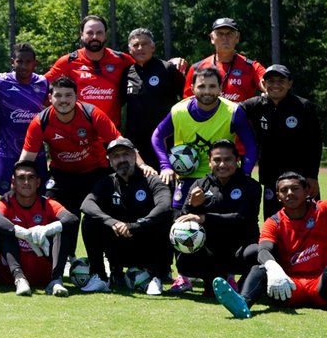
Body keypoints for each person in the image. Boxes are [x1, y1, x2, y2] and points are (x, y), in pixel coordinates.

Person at [214, 158, 327, 324]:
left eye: (295, 188)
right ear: (278, 196)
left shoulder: (323, 210)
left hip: (322, 287)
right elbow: (264, 250)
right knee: (259, 268)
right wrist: (273, 268)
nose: (289, 193)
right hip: (287, 287)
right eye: (284, 190)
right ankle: (242, 303)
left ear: (307, 191)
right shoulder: (274, 221)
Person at [18, 76, 131, 251]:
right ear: (50, 98)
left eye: (68, 95)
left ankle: (105, 262)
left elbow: (121, 143)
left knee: (97, 217)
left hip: (95, 172)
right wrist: (16, 185)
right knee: (55, 213)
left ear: (76, 96)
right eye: (58, 95)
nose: (63, 100)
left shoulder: (92, 113)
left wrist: (143, 165)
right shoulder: (41, 121)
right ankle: (65, 259)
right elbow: (26, 160)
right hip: (62, 174)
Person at [153, 66, 258, 212]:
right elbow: (157, 136)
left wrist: (245, 173)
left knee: (219, 223)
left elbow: (251, 146)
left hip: (221, 179)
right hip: (187, 178)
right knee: (181, 225)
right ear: (192, 88)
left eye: (212, 86)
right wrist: (165, 165)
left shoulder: (233, 111)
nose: (207, 91)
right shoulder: (179, 111)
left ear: (220, 88)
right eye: (201, 86)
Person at [80, 137, 172, 294]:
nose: (121, 159)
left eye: (125, 154)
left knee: (164, 220)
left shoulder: (151, 180)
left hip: (146, 247)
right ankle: (101, 277)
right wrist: (112, 222)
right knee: (89, 221)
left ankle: (156, 278)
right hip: (118, 247)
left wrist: (136, 225)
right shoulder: (106, 182)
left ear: (134, 156)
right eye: (116, 156)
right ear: (110, 161)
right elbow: (86, 204)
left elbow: (164, 205)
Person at [169, 139, 261, 295]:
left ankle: (244, 287)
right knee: (185, 262)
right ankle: (214, 281)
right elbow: (184, 218)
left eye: (228, 159)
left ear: (237, 160)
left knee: (256, 253)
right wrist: (193, 205)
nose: (222, 165)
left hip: (239, 248)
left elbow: (243, 218)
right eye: (217, 160)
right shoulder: (200, 185)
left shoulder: (251, 186)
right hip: (210, 250)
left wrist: (205, 217)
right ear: (210, 162)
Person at [240, 64, 323, 217]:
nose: (275, 85)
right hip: (272, 179)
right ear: (263, 84)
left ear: (290, 83)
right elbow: (229, 111)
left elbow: (315, 144)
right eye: (271, 81)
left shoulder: (304, 107)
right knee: (274, 223)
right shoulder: (255, 106)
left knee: (310, 223)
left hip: (302, 178)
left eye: (281, 81)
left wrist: (313, 176)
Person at [0, 160, 77, 296]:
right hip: (8, 276)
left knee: (61, 231)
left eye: (31, 178)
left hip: (44, 275)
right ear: (13, 182)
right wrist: (22, 233)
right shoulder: (5, 202)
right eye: (21, 178)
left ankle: (56, 280)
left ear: (38, 182)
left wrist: (48, 228)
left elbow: (71, 218)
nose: (26, 182)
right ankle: (20, 279)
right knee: (6, 232)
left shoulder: (46, 203)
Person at [44, 15, 135, 126]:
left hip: (110, 133)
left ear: (105, 35)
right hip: (78, 132)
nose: (94, 37)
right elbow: (40, 86)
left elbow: (145, 69)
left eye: (99, 33)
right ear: (81, 35)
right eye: (90, 33)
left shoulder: (122, 60)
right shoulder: (67, 62)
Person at [0, 43, 49, 192]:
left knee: (40, 195)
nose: (24, 66)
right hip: (8, 151)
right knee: (6, 198)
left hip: (36, 151)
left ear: (35, 63)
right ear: (12, 62)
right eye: (20, 61)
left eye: (28, 62)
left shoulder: (43, 83)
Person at [122, 27, 186, 168]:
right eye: (136, 45)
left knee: (167, 180)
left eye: (144, 44)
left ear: (153, 47)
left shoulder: (168, 69)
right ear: (130, 50)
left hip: (166, 138)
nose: (140, 48)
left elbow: (186, 98)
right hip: (137, 141)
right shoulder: (126, 73)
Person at [183, 17, 266, 102]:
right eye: (220, 34)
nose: (225, 38)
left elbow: (270, 85)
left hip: (240, 114)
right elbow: (187, 103)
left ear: (237, 38)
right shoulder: (197, 68)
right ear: (212, 38)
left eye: (229, 34)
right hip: (209, 115)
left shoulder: (252, 67)